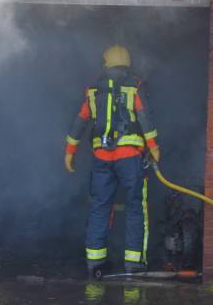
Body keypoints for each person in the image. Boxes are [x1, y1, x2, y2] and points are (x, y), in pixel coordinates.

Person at [64, 45, 160, 277]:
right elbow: (144, 117)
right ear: (127, 63)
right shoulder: (134, 86)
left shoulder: (93, 90)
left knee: (100, 206)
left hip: (102, 158)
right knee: (136, 206)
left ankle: (95, 262)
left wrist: (70, 151)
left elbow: (80, 121)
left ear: (105, 63)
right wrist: (154, 147)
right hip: (129, 157)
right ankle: (134, 264)